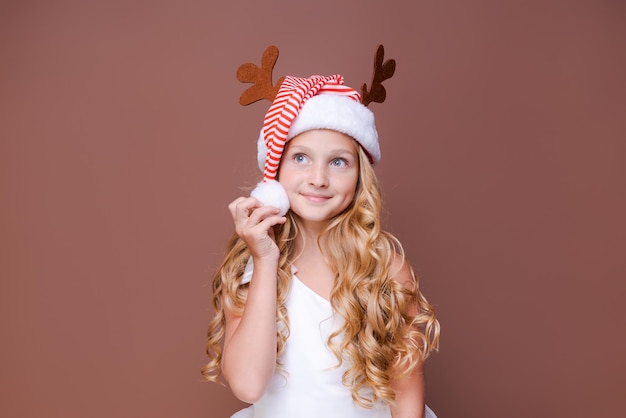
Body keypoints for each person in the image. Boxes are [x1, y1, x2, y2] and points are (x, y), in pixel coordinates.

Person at [202, 73, 440, 418]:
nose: (318, 178)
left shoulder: (386, 268)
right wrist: (266, 260)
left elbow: (406, 396)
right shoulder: (250, 269)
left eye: (338, 162)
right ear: (275, 171)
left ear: (360, 176)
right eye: (300, 158)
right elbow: (248, 385)